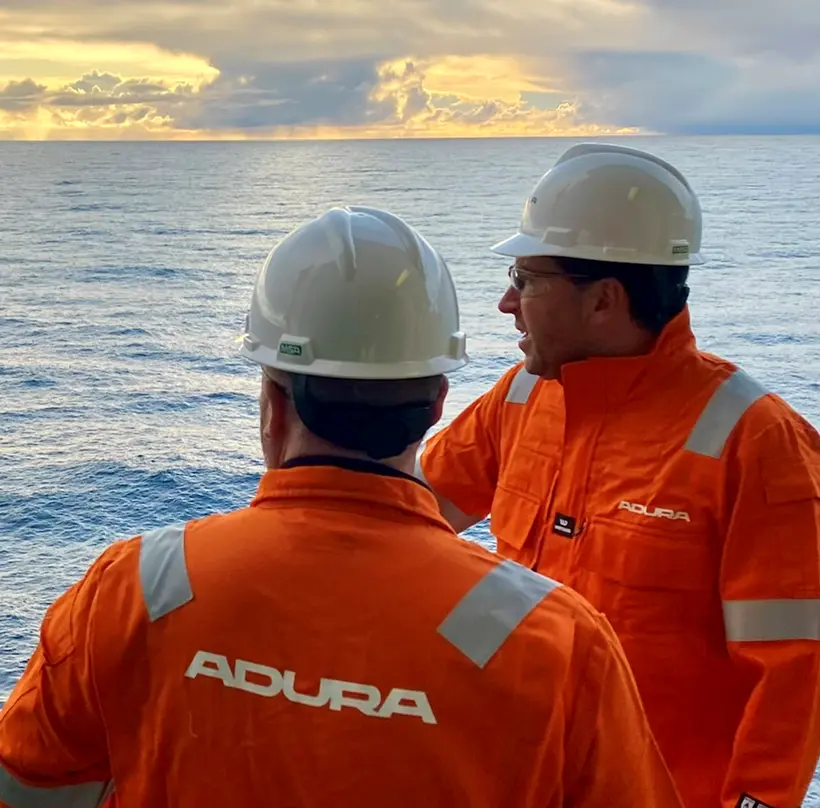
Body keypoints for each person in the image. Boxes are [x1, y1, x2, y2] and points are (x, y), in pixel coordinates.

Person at [0, 205, 683, 808]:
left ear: (273, 403)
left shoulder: (135, 590)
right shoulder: (555, 643)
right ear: (438, 403)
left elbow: (27, 785)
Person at [416, 142, 820, 808]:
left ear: (604, 300)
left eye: (525, 279)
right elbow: (403, 522)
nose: (504, 303)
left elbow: (795, 671)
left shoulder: (757, 442)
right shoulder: (519, 398)